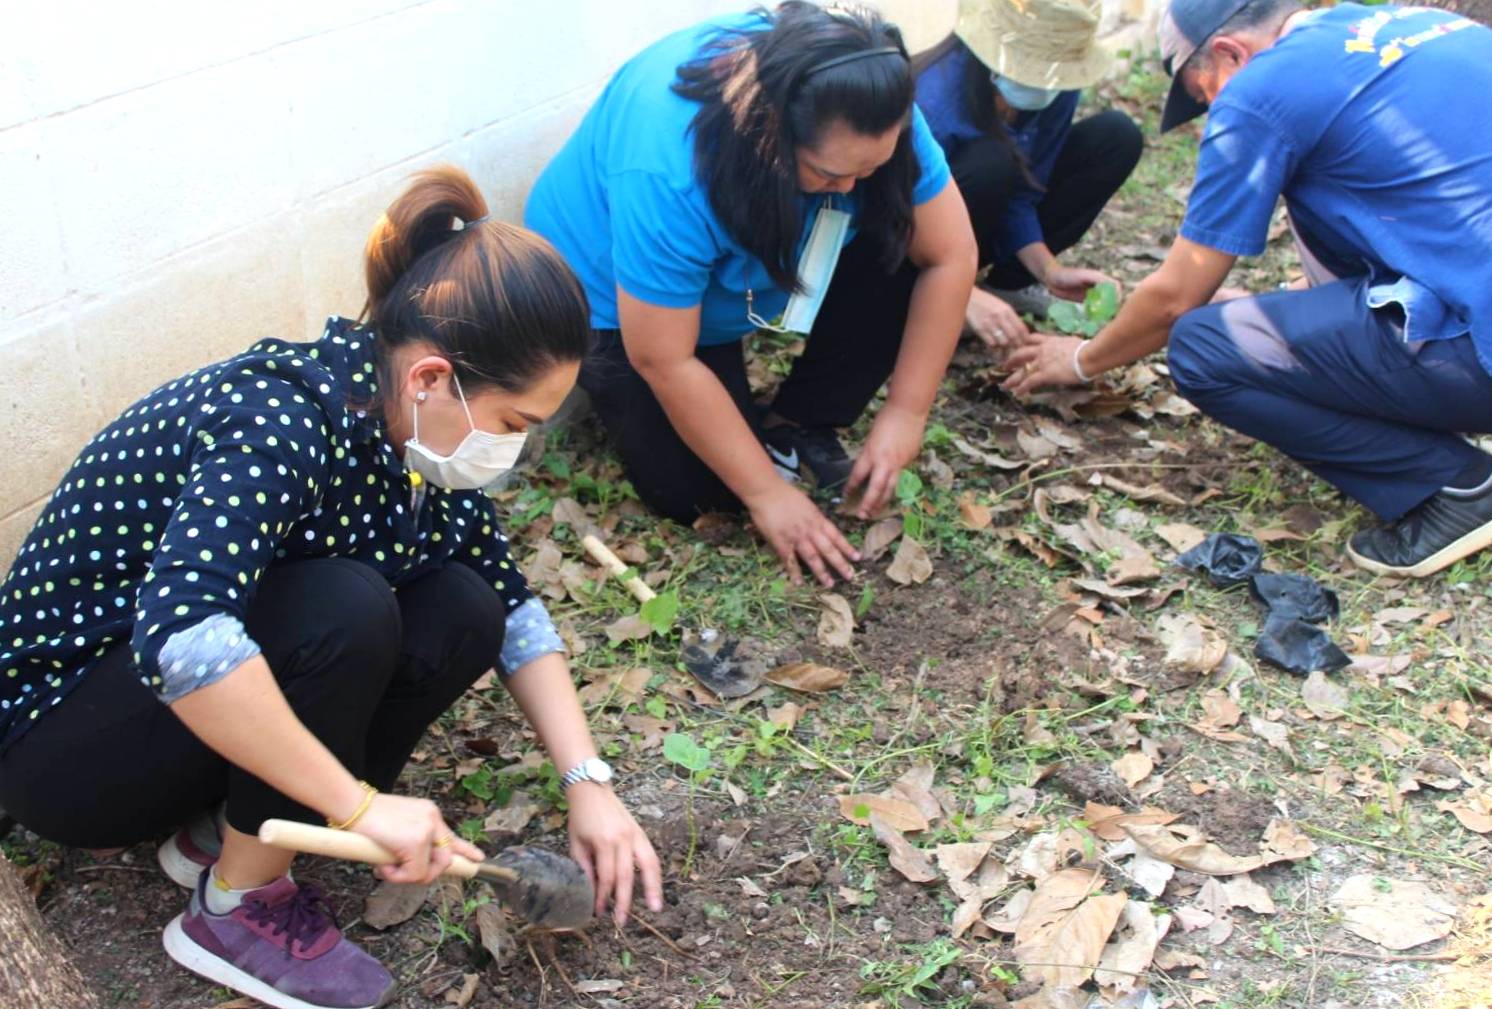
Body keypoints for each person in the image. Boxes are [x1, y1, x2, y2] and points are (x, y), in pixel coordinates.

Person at [0, 167, 662, 1009]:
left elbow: (514, 604)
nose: (514, 453)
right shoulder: (277, 420)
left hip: (167, 719)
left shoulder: (403, 433)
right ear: (430, 379)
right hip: (61, 743)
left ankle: (224, 833)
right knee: (343, 607)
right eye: (512, 425)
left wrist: (588, 784)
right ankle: (235, 906)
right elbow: (182, 637)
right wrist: (357, 807)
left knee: (465, 605)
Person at [1005, 0, 1492, 578]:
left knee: (1200, 347)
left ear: (1230, 52)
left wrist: (1083, 360)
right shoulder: (1416, 27)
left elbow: (1174, 300)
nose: (1211, 107)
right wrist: (1279, 309)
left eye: (1201, 89)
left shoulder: (1262, 89)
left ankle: (1458, 489)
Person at [525, 2, 978, 589]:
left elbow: (950, 254)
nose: (850, 189)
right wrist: (766, 495)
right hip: (608, 293)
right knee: (700, 495)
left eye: (871, 167)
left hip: (731, 284)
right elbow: (661, 356)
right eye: (828, 172)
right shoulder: (668, 163)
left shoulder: (870, 101)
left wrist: (907, 411)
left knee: (892, 230)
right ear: (769, 129)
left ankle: (794, 418)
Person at [914, 0, 1141, 347]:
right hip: (912, 237)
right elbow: (886, 219)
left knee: (1116, 136)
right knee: (993, 161)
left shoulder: (1054, 86)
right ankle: (924, 296)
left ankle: (1008, 285)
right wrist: (956, 289)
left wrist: (1049, 270)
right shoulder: (936, 100)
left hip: (982, 223)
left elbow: (1023, 190)